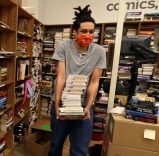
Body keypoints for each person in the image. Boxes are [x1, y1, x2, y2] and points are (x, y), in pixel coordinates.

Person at [48, 5, 107, 156]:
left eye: (91, 32)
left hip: (83, 107)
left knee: (80, 151)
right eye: (83, 31)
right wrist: (56, 104)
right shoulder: (64, 46)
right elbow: (61, 77)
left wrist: (88, 107)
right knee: (55, 147)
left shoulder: (99, 51)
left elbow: (95, 82)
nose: (88, 35)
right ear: (75, 32)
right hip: (62, 105)